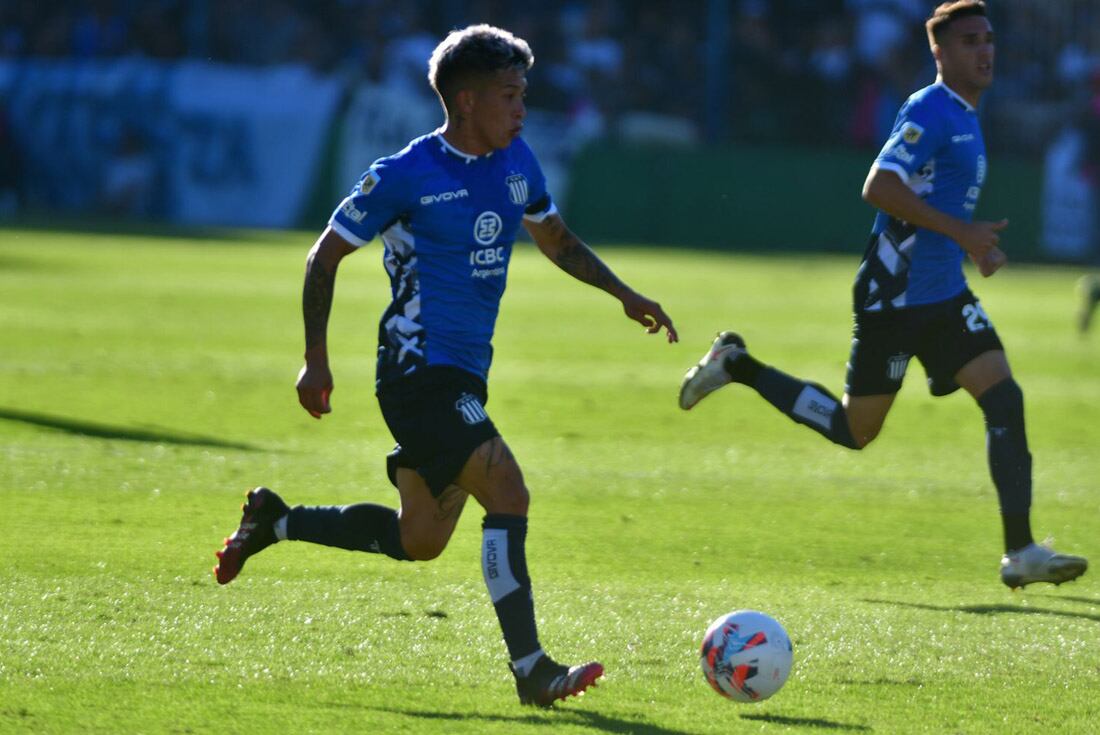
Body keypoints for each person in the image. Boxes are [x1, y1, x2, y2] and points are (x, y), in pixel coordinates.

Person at [213, 24, 678, 707]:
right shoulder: (406, 173)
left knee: (421, 538)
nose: (522, 109)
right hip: (415, 373)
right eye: (510, 95)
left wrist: (623, 294)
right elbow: (325, 253)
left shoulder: (519, 163)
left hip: (464, 373)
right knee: (508, 490)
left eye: (524, 94)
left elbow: (556, 239)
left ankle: (275, 520)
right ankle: (532, 669)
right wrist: (314, 356)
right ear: (466, 101)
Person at [679, 1, 1086, 590]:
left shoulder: (969, 114)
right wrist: (964, 234)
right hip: (893, 297)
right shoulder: (931, 109)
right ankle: (737, 364)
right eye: (970, 41)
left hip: (944, 295)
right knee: (855, 430)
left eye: (989, 39)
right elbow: (879, 185)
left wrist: (972, 247)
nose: (985, 50)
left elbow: (936, 205)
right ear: (939, 53)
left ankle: (1020, 551)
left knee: (1005, 400)